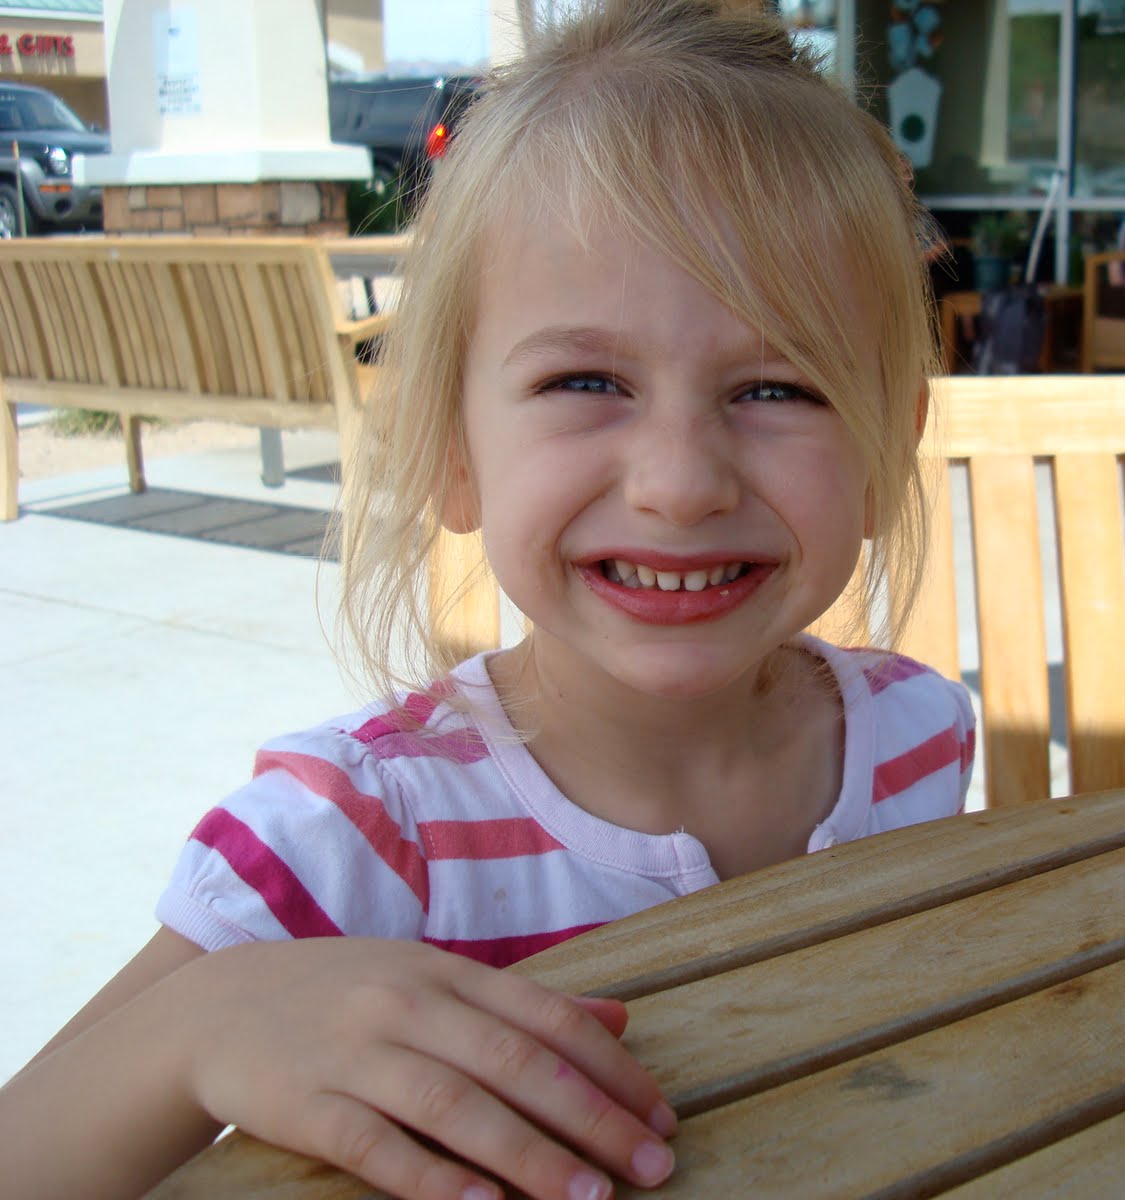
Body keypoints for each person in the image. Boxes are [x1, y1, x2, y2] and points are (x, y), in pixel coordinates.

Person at [0, 3, 977, 1198]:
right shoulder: (360, 839)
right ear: (452, 452)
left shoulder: (919, 737)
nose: (680, 483)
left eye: (779, 388)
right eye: (586, 380)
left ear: (885, 451)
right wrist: (203, 1023)